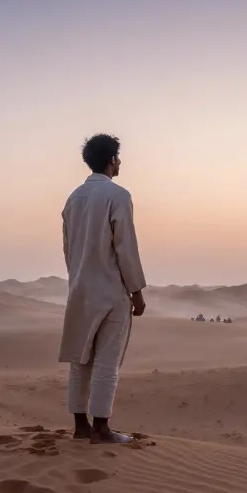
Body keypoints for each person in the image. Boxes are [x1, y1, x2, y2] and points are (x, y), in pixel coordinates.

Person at [58, 133, 147, 444]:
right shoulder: (118, 196)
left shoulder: (73, 198)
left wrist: (78, 280)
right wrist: (136, 291)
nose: (120, 163)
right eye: (118, 158)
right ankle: (101, 429)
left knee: (79, 360)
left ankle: (81, 426)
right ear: (111, 160)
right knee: (107, 362)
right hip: (111, 291)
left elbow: (68, 249)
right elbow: (126, 247)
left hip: (79, 289)